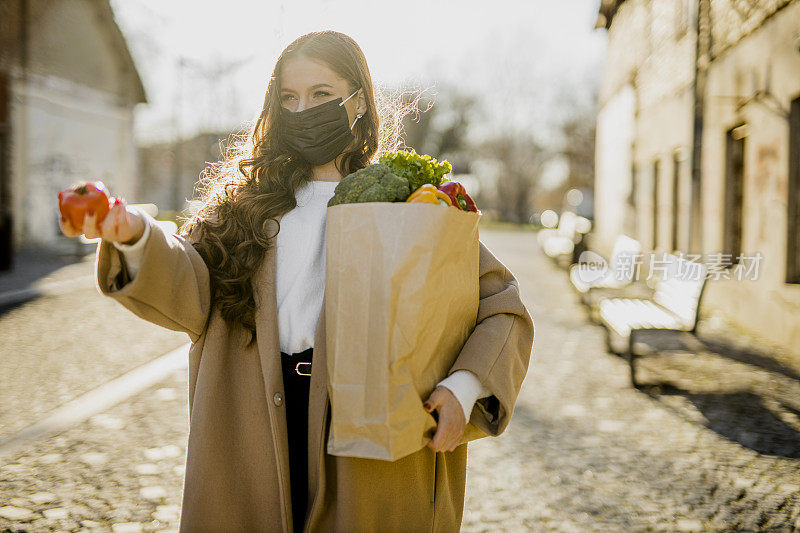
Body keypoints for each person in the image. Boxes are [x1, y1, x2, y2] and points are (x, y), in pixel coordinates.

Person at [59, 30, 534, 533]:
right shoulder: (239, 210)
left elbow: (503, 307)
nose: (303, 109)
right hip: (253, 423)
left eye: (321, 95)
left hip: (375, 441)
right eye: (289, 98)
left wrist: (462, 390)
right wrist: (133, 232)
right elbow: (186, 282)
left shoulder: (413, 206)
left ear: (359, 104)